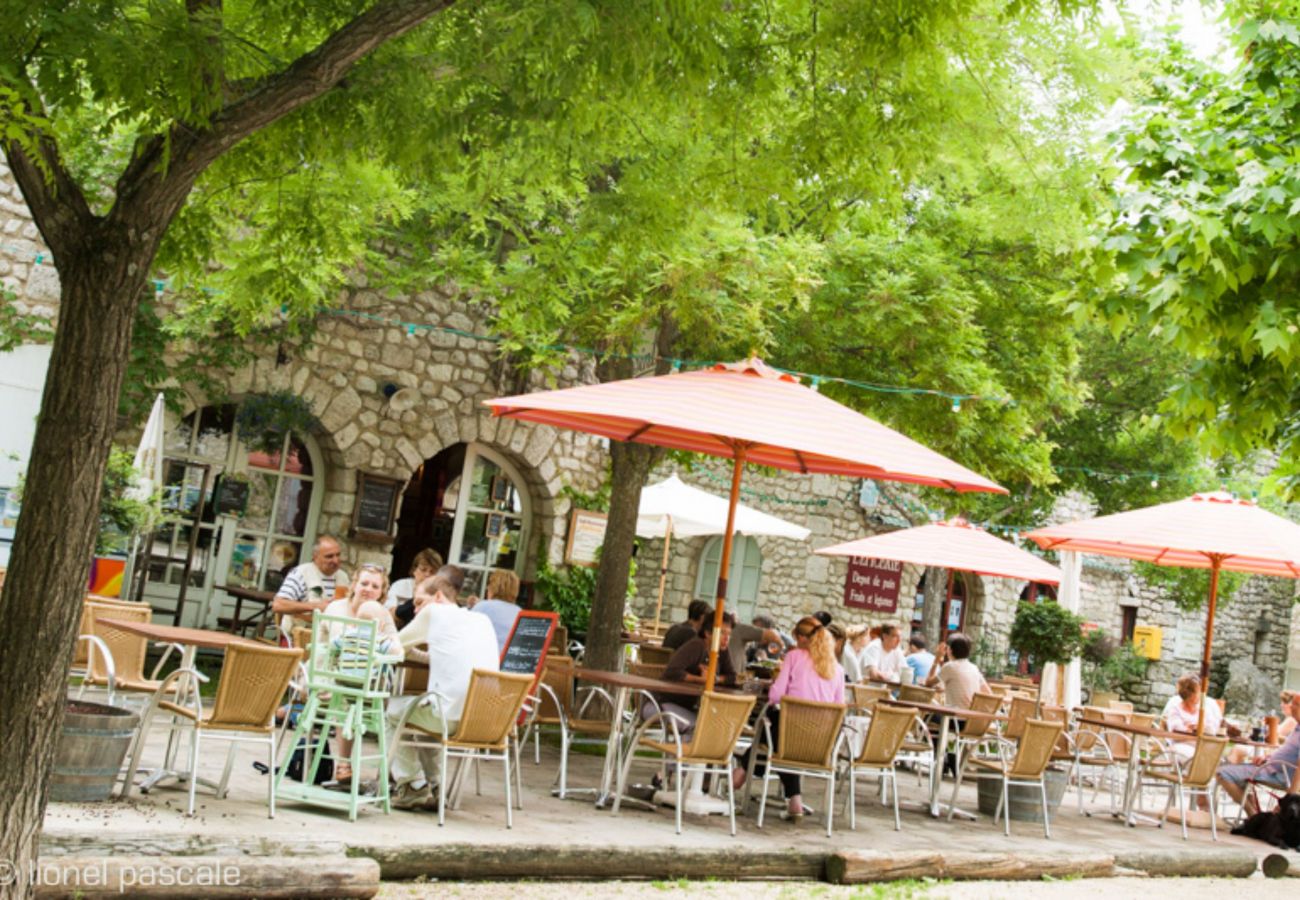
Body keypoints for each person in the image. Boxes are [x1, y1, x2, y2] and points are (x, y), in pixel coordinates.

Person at [386, 573, 500, 810]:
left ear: (437, 596)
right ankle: (436, 786)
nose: (416, 611)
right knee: (425, 713)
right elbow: (452, 659)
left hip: (448, 718)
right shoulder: (481, 619)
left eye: (418, 602)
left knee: (391, 709)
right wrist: (414, 653)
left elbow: (391, 646)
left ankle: (411, 785)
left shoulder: (434, 612)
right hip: (485, 721)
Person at [733, 615, 844, 821]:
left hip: (790, 736)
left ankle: (743, 770)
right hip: (820, 743)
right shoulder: (838, 670)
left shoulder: (794, 658)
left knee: (771, 720)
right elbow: (839, 707)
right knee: (777, 729)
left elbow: (775, 696)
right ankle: (794, 799)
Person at [319, 563, 401, 786]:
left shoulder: (381, 614)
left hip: (369, 682)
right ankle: (343, 763)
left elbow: (396, 647)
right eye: (364, 583)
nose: (368, 589)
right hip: (332, 677)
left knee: (387, 703)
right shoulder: (336, 608)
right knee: (344, 698)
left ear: (381, 592)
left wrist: (383, 640)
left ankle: (389, 771)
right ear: (354, 585)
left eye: (375, 586)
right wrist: (320, 681)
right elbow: (322, 648)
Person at [1217, 690, 1300, 816]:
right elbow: (1288, 751)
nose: (1290, 706)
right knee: (1237, 771)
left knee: (1222, 773)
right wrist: (1267, 758)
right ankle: (1256, 815)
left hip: (1279, 775)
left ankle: (1252, 814)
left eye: (1295, 704)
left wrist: (1289, 796)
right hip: (1271, 767)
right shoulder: (1297, 727)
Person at [655, 611, 738, 731]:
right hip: (664, 703)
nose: (727, 638)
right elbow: (672, 672)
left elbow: (732, 677)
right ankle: (682, 749)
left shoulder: (722, 650)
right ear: (708, 633)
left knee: (718, 725)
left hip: (689, 706)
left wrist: (714, 678)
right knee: (706, 727)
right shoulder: (696, 645)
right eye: (722, 633)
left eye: (729, 634)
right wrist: (700, 679)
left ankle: (685, 748)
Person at [271, 535, 350, 639]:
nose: (335, 560)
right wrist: (315, 606)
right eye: (329, 556)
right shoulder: (300, 573)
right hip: (298, 640)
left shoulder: (343, 577)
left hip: (330, 641)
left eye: (338, 555)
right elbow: (278, 605)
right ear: (315, 556)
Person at [1160, 674, 1223, 760]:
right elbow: (1176, 732)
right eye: (1198, 691)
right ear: (1190, 694)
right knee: (1197, 757)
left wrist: (1200, 727)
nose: (1201, 694)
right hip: (1180, 747)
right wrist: (1191, 729)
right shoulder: (1175, 709)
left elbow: (1212, 729)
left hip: (1201, 747)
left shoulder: (1203, 710)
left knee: (1216, 759)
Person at [924, 632, 989, 709]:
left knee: (925, 713)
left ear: (950, 650)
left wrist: (936, 659)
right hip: (970, 718)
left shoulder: (950, 666)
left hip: (953, 718)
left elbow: (928, 683)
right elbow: (988, 692)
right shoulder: (974, 667)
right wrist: (946, 689)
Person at [472, 568, 523, 653]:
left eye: (489, 584)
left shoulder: (483, 607)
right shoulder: (520, 612)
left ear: (493, 587)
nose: (487, 587)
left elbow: (466, 633)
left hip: (487, 660)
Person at [387, 549, 443, 620]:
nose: (427, 574)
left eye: (432, 572)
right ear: (414, 570)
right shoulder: (399, 586)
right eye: (423, 570)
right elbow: (388, 614)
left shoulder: (440, 593)